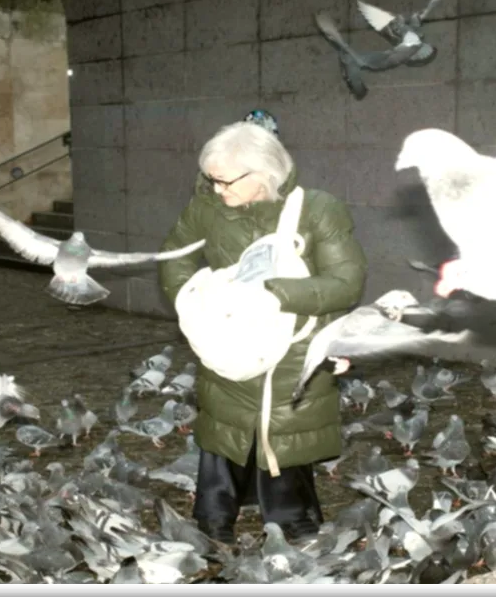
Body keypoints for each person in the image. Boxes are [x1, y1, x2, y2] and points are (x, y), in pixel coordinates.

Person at [157, 113, 368, 544]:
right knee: (224, 425)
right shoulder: (207, 208)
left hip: (293, 345)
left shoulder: (318, 210)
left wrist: (276, 296)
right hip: (228, 336)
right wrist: (193, 305)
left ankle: (293, 518)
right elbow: (174, 257)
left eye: (226, 181)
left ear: (263, 173)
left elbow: (347, 283)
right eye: (211, 179)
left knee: (286, 428)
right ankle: (214, 515)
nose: (217, 189)